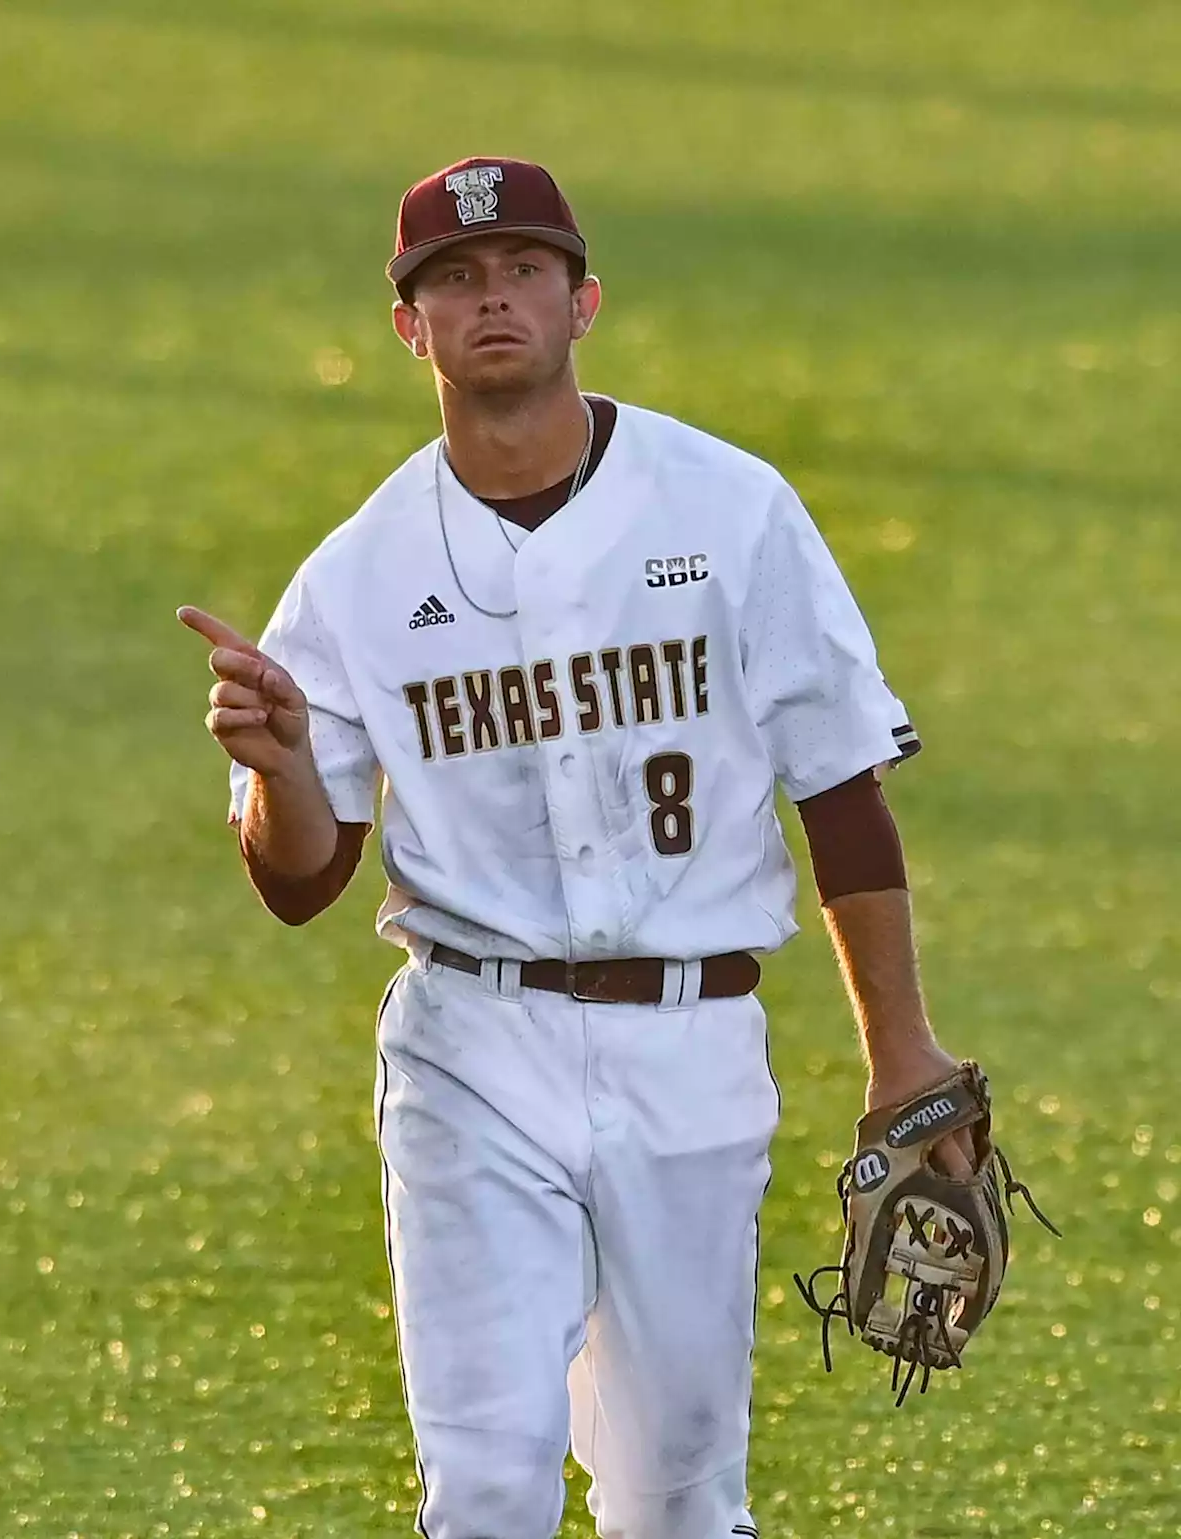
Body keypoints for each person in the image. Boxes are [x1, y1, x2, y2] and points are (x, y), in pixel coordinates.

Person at [179, 157, 972, 1539]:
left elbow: (842, 794)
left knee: (675, 1502)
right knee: (487, 1488)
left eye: (522, 272)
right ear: (409, 329)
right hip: (471, 1047)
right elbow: (302, 877)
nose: (492, 299)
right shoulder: (360, 573)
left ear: (583, 299)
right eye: (454, 281)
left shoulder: (729, 511)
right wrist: (280, 764)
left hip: (694, 1045)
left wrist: (902, 1048)